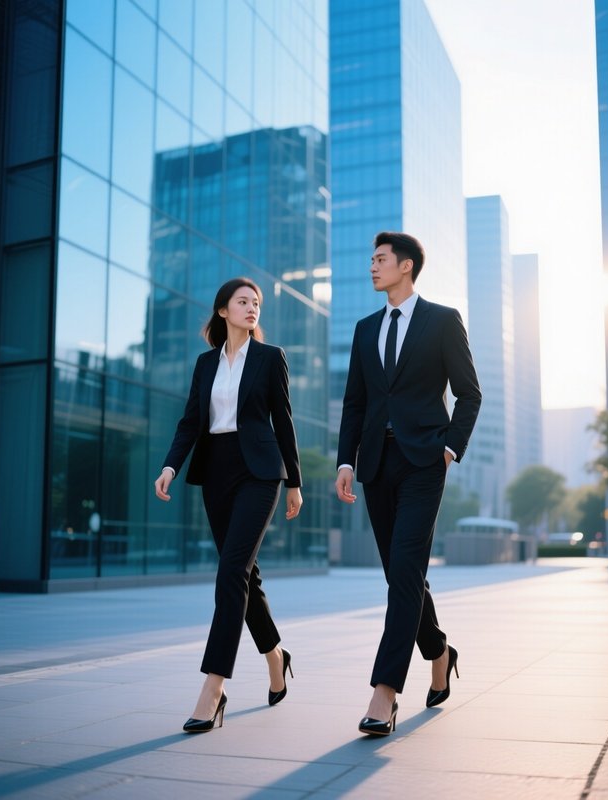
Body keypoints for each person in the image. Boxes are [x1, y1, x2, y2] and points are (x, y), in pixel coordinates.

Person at [336, 232, 481, 737]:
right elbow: (355, 403)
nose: (371, 267)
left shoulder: (442, 320)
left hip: (423, 463)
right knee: (403, 572)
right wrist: (345, 462)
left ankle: (384, 694)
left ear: (406, 265)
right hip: (375, 463)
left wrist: (449, 447)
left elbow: (469, 393)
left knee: (404, 570)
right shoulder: (364, 328)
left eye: (379, 259)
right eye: (371, 259)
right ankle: (439, 651)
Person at [154, 277, 303, 733]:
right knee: (244, 574)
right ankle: (276, 655)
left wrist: (294, 482)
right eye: (243, 302)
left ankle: (212, 688)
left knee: (230, 572)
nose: (251, 308)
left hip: (259, 471)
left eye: (256, 303)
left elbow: (285, 421)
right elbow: (190, 422)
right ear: (223, 311)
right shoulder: (204, 365)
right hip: (215, 471)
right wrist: (169, 467)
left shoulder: (270, 357)